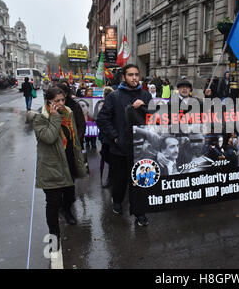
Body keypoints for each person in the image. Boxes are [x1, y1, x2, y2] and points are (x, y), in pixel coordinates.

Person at [32, 87, 87, 253]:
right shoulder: (40, 118)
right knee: (53, 202)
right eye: (57, 101)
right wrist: (55, 117)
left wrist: (79, 159)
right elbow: (49, 137)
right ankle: (53, 235)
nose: (61, 104)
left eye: (63, 100)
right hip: (52, 167)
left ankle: (68, 211)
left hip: (69, 162)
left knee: (70, 195)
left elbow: (73, 138)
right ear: (48, 102)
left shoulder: (68, 113)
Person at [96, 64, 152, 226]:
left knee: (139, 181)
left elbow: (153, 119)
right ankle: (117, 201)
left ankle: (139, 212)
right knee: (119, 180)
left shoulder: (146, 95)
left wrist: (145, 107)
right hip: (119, 149)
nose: (134, 78)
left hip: (140, 148)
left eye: (136, 74)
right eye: (130, 75)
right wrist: (115, 138)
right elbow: (103, 119)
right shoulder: (114, 96)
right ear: (123, 77)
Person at [94, 87, 115, 188]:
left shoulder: (114, 104)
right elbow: (101, 120)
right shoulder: (104, 105)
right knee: (107, 157)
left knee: (110, 158)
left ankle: (110, 178)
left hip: (110, 137)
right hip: (107, 137)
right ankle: (108, 178)